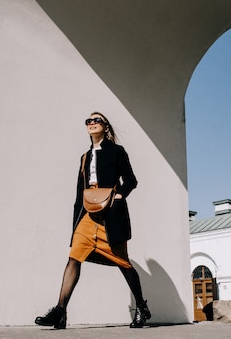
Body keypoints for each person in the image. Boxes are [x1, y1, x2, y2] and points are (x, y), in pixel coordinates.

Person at [35, 112, 151, 329]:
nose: (92, 123)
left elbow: (131, 180)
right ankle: (60, 311)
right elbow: (79, 193)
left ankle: (141, 308)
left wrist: (119, 195)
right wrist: (75, 225)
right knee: (74, 257)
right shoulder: (84, 157)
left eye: (97, 120)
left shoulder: (117, 151)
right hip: (87, 214)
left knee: (123, 262)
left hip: (110, 212)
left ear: (105, 127)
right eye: (88, 121)